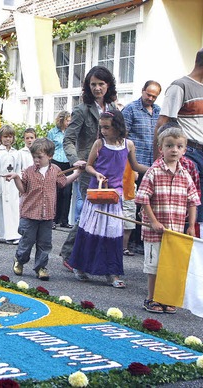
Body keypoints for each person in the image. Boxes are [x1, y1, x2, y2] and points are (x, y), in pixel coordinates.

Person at [69, 110, 147, 288]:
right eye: (101, 127)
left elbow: (135, 166)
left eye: (107, 127)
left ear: (118, 127)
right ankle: (80, 267)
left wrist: (155, 169)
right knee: (90, 231)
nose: (103, 131)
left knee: (113, 234)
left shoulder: (128, 145)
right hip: (96, 195)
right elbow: (89, 166)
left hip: (115, 196)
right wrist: (96, 174)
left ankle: (112, 273)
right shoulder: (99, 143)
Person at [155, 46, 203, 224]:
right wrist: (156, 162)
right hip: (187, 155)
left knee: (197, 215)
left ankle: (190, 250)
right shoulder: (179, 86)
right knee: (182, 211)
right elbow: (162, 124)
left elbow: (202, 132)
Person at [135, 123, 200, 313]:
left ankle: (167, 298)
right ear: (161, 148)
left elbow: (193, 200)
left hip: (176, 231)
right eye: (169, 145)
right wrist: (153, 221)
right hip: (155, 230)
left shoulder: (185, 175)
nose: (174, 149)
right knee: (154, 266)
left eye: (179, 146)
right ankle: (152, 298)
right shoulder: (153, 172)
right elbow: (143, 198)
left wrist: (191, 225)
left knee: (171, 266)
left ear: (184, 150)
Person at [60, 66, 119, 268]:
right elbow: (68, 140)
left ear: (108, 85)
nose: (97, 88)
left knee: (104, 211)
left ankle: (91, 257)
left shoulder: (114, 108)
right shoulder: (81, 110)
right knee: (89, 209)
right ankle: (69, 254)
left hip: (110, 168)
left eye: (101, 84)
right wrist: (75, 159)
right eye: (93, 84)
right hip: (88, 167)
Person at [6, 138, 83, 281]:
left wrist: (77, 173)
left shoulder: (56, 171)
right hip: (29, 214)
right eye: (34, 157)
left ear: (50, 156)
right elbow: (23, 189)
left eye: (39, 157)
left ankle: (41, 267)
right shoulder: (28, 172)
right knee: (26, 242)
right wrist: (17, 177)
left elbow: (64, 182)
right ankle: (20, 260)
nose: (36, 160)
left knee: (45, 243)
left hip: (47, 215)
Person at [122, 81, 162, 254]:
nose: (151, 98)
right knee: (133, 203)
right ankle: (130, 241)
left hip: (152, 163)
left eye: (154, 96)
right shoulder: (130, 109)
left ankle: (143, 240)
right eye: (149, 94)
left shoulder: (160, 111)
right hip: (134, 163)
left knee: (149, 202)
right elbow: (122, 135)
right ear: (142, 91)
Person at [47, 111, 73, 229]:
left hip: (68, 162)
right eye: (67, 120)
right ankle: (53, 218)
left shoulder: (71, 133)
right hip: (56, 162)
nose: (69, 122)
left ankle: (64, 219)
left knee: (67, 192)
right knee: (55, 191)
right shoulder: (52, 132)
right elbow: (48, 148)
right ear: (61, 120)